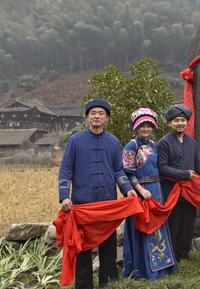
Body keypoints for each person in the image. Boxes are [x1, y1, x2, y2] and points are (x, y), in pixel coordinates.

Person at [58, 99, 136, 289]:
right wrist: (64, 195)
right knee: (82, 248)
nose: (97, 116)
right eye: (93, 113)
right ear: (87, 117)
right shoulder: (75, 141)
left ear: (107, 118)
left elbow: (118, 170)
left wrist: (128, 190)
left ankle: (108, 284)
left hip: (108, 204)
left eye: (101, 113)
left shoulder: (113, 141)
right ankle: (84, 285)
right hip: (82, 204)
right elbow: (66, 169)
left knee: (108, 248)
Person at [121, 108, 177, 280]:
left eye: (149, 126)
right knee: (143, 227)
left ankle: (162, 267)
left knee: (157, 226)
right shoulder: (131, 146)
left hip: (156, 191)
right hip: (141, 193)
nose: (146, 129)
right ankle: (142, 269)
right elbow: (127, 172)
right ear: (136, 127)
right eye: (142, 126)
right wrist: (141, 190)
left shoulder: (153, 145)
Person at [157, 104, 200, 261]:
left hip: (189, 191)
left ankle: (184, 253)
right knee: (173, 223)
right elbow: (162, 168)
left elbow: (197, 166)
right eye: (176, 120)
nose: (180, 123)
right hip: (171, 190)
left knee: (188, 223)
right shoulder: (164, 142)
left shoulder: (191, 142)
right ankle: (172, 255)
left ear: (187, 122)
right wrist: (184, 174)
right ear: (169, 123)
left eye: (183, 120)